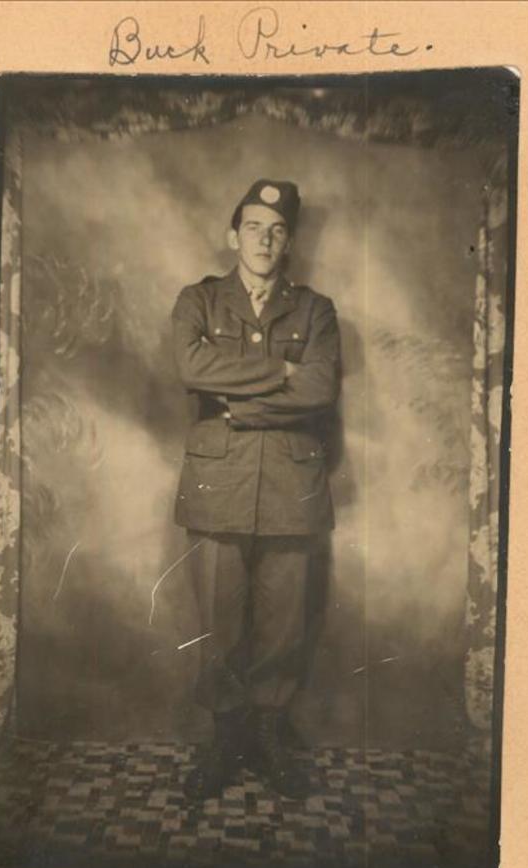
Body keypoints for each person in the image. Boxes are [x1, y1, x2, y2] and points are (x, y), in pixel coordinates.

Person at [172, 179, 341, 800]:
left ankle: (268, 738)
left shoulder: (315, 310)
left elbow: (320, 390)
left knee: (283, 624)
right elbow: (191, 367)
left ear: (288, 242)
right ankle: (225, 741)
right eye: (252, 228)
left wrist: (239, 406)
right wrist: (279, 372)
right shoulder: (199, 300)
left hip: (292, 488)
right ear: (232, 236)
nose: (264, 240)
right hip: (218, 483)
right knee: (219, 624)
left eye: (276, 231)